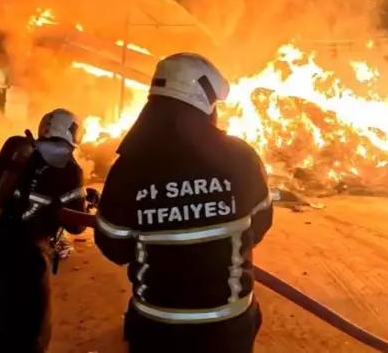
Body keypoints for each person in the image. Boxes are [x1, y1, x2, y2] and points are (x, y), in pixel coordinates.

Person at [94, 53, 274, 353]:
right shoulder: (240, 157)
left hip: (157, 327)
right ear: (204, 101)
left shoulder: (128, 168)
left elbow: (113, 245)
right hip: (226, 327)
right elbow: (260, 224)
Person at [0, 108, 88, 353]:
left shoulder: (24, 153)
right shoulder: (68, 167)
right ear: (71, 132)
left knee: (9, 319)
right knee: (33, 329)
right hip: (27, 254)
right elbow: (77, 225)